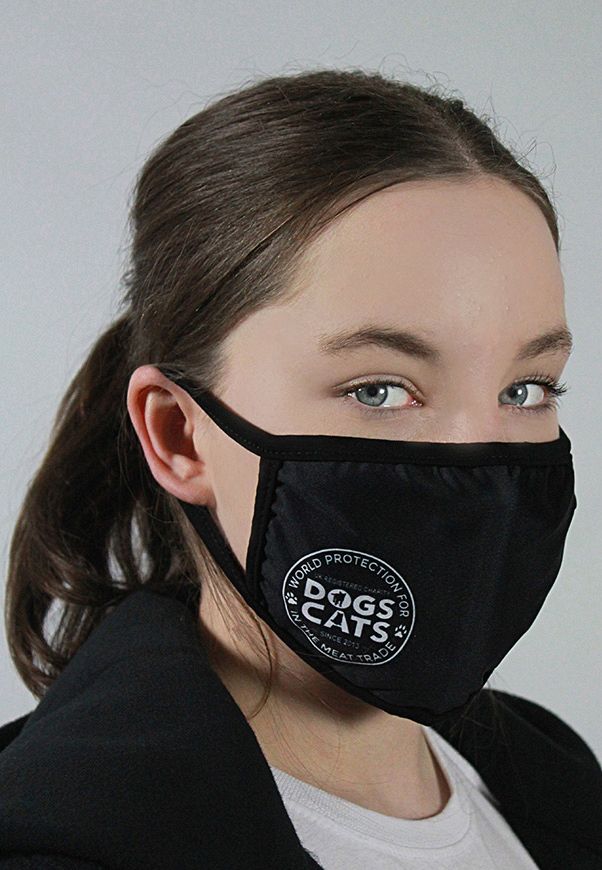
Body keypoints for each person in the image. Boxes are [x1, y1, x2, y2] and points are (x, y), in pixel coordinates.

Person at [0, 68, 600, 870]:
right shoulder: (62, 843)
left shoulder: (552, 775)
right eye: (379, 389)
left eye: (525, 389)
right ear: (178, 435)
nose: (479, 462)